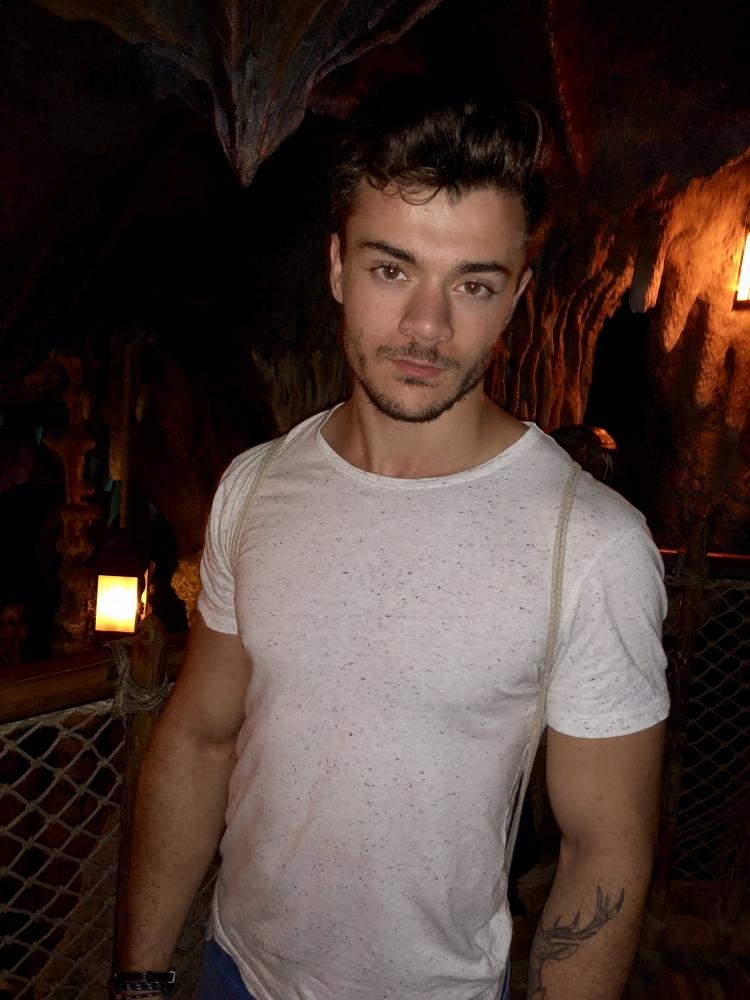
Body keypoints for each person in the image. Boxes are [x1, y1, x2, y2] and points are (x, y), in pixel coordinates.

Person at [113, 75, 670, 1000]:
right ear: (337, 266)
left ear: (517, 296)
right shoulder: (255, 486)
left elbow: (602, 850)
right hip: (232, 974)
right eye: (391, 269)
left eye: (473, 285)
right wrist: (138, 977)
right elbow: (200, 738)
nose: (426, 326)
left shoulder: (591, 546)